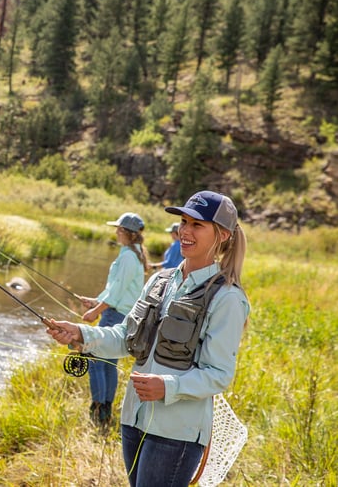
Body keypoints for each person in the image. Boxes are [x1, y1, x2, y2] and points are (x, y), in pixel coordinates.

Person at [46, 191, 249, 487]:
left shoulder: (228, 299)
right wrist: (80, 333)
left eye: (197, 225)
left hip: (176, 432)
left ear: (223, 235)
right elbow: (125, 338)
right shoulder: (159, 281)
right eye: (183, 221)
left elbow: (219, 376)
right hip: (134, 418)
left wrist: (166, 386)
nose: (185, 231)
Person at [76, 212, 149, 425]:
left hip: (115, 315)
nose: (116, 232)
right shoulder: (133, 254)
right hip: (119, 313)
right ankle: (104, 412)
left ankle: (98, 409)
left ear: (127, 233)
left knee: (96, 361)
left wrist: (96, 310)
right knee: (108, 363)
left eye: (119, 229)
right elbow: (117, 289)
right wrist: (95, 301)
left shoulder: (128, 255)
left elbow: (117, 291)